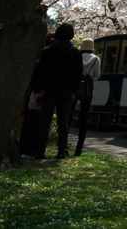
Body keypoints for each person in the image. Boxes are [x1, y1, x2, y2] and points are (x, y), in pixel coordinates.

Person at [32, 23, 83, 159]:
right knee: (63, 122)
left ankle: (39, 151)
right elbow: (78, 74)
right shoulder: (75, 52)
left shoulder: (47, 51)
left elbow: (40, 72)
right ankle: (62, 151)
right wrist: (74, 91)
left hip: (48, 90)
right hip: (66, 92)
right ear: (71, 35)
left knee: (44, 122)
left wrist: (38, 89)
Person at [74, 38, 101, 157]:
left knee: (68, 114)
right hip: (87, 89)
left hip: (74, 87)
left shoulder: (76, 57)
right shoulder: (95, 59)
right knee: (84, 117)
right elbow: (97, 76)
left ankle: (63, 147)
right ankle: (78, 149)